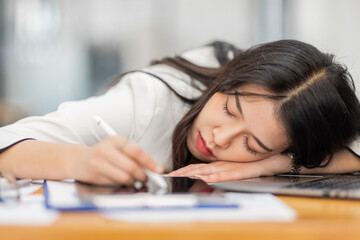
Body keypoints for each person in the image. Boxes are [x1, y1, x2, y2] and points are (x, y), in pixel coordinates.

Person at [1, 39, 360, 186]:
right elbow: (6, 144)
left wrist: (275, 164)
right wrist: (78, 162)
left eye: (252, 144)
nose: (218, 138)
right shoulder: (148, 101)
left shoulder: (284, 137)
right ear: (227, 79)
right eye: (228, 110)